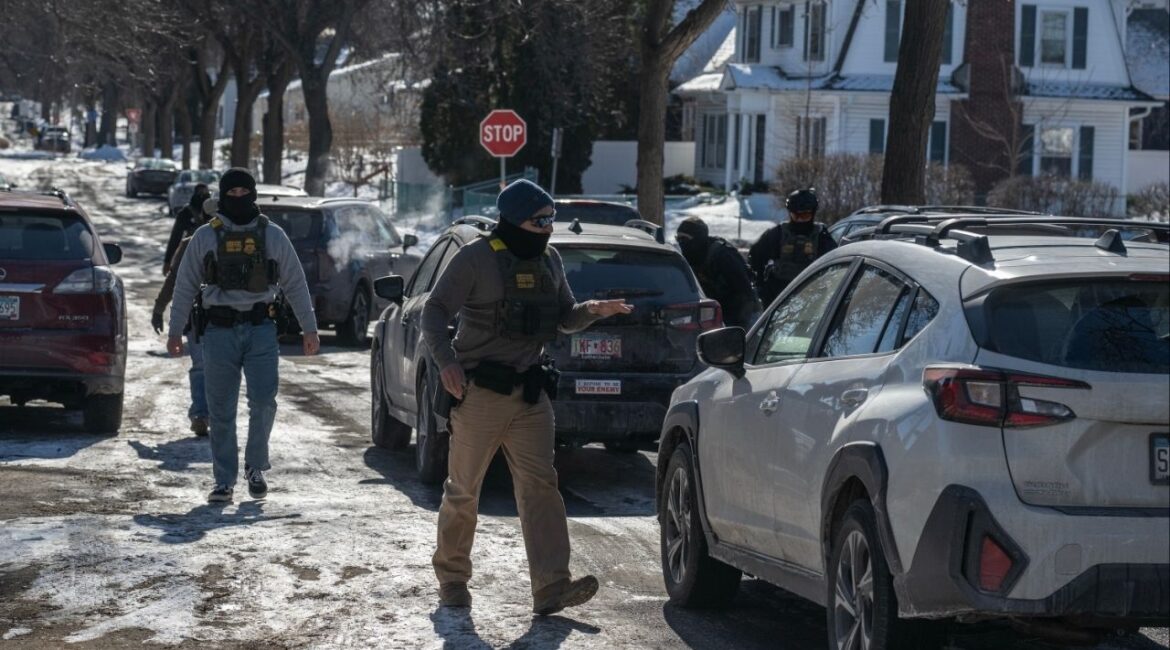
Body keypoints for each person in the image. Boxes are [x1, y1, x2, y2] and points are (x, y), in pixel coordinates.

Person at [423, 179, 633, 615]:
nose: (549, 229)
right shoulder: (476, 257)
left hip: (530, 394)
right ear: (515, 220)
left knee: (541, 488)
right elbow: (434, 309)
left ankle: (552, 587)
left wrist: (592, 311)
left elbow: (564, 318)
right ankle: (453, 580)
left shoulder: (550, 260)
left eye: (552, 220)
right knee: (463, 490)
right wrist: (446, 361)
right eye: (541, 221)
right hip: (479, 391)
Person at [165, 168, 320, 504]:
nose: (237, 199)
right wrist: (175, 330)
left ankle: (254, 466)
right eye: (231, 193)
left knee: (264, 402)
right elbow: (185, 285)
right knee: (221, 411)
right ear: (222, 196)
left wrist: (310, 328)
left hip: (262, 328)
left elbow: (294, 282)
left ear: (252, 195)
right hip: (218, 332)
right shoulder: (207, 236)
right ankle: (224, 480)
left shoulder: (272, 235)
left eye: (243, 192)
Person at [152, 196, 215, 437]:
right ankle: (201, 413)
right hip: (198, 318)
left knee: (217, 369)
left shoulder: (241, 243)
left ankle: (215, 414)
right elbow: (174, 279)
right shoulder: (190, 244)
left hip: (231, 319)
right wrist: (159, 309)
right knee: (201, 366)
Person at [748, 187, 837, 306]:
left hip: (811, 297)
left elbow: (834, 264)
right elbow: (755, 256)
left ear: (813, 214)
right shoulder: (777, 234)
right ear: (790, 213)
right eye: (796, 216)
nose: (800, 221)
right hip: (778, 295)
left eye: (805, 216)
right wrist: (761, 284)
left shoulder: (822, 237)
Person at [675, 216, 762, 328]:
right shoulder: (688, 258)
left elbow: (744, 289)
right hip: (711, 314)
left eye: (685, 239)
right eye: (679, 239)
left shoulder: (722, 256)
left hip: (739, 314)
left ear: (698, 238)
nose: (682, 244)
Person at [163, 183, 211, 276]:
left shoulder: (214, 211)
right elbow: (175, 238)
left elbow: (175, 237)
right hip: (191, 255)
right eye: (201, 192)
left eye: (205, 193)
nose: (202, 195)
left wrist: (168, 261)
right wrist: (167, 261)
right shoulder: (187, 213)